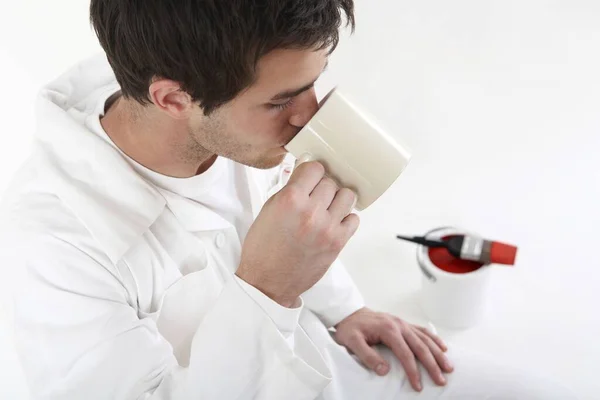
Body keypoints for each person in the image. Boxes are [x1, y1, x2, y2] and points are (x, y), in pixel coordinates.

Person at [0, 1, 575, 399]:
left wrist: (344, 308)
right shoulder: (54, 244)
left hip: (321, 363)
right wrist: (267, 289)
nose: (309, 118)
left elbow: (282, 219)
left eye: (314, 84)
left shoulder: (213, 101)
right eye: (281, 102)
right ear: (173, 98)